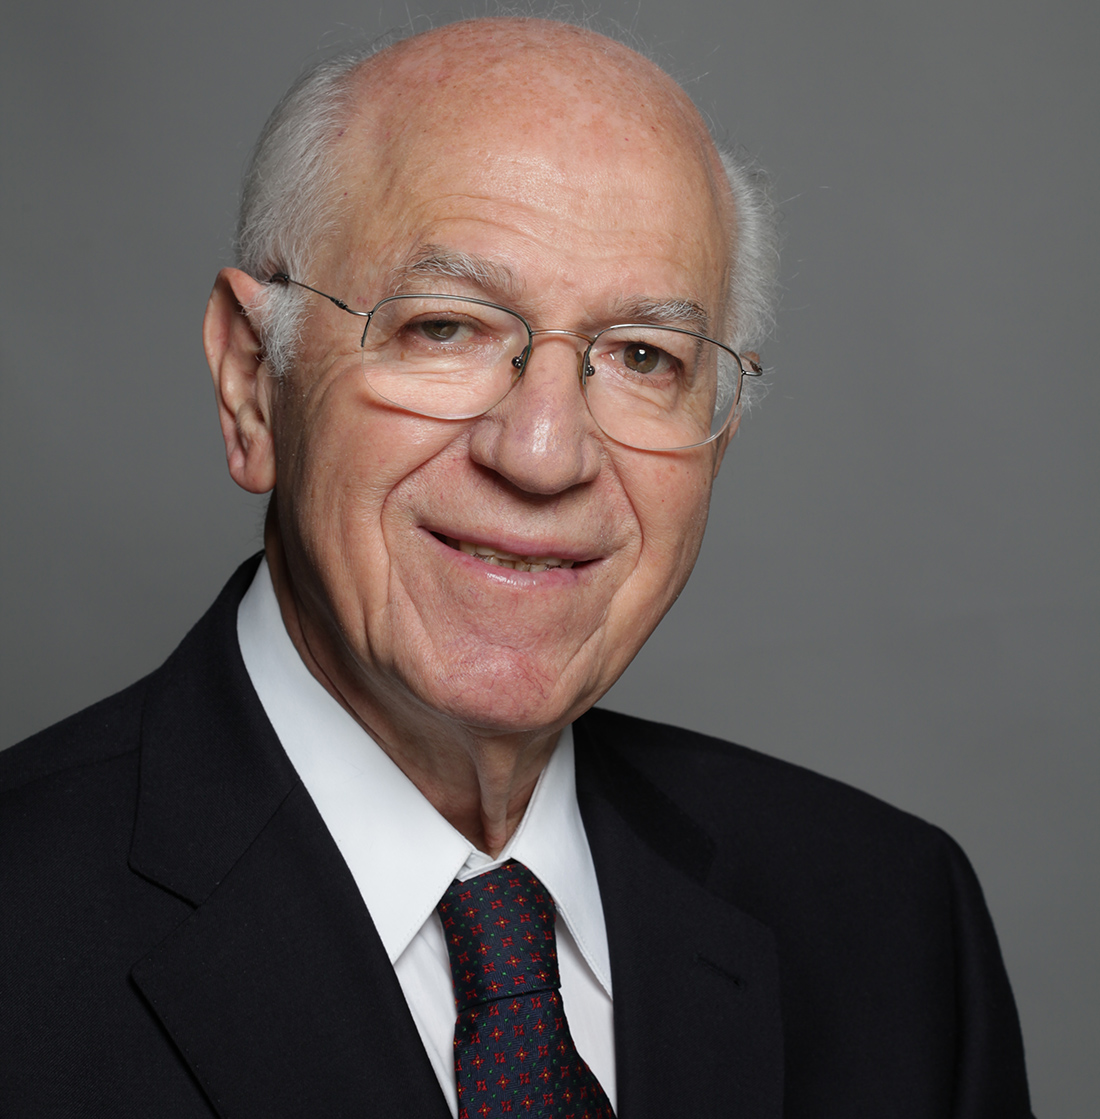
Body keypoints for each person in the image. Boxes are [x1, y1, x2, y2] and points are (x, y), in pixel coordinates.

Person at [0, 17, 1032, 1118]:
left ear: (718, 437)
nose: (543, 453)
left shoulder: (891, 922)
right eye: (445, 328)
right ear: (255, 382)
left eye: (643, 356)